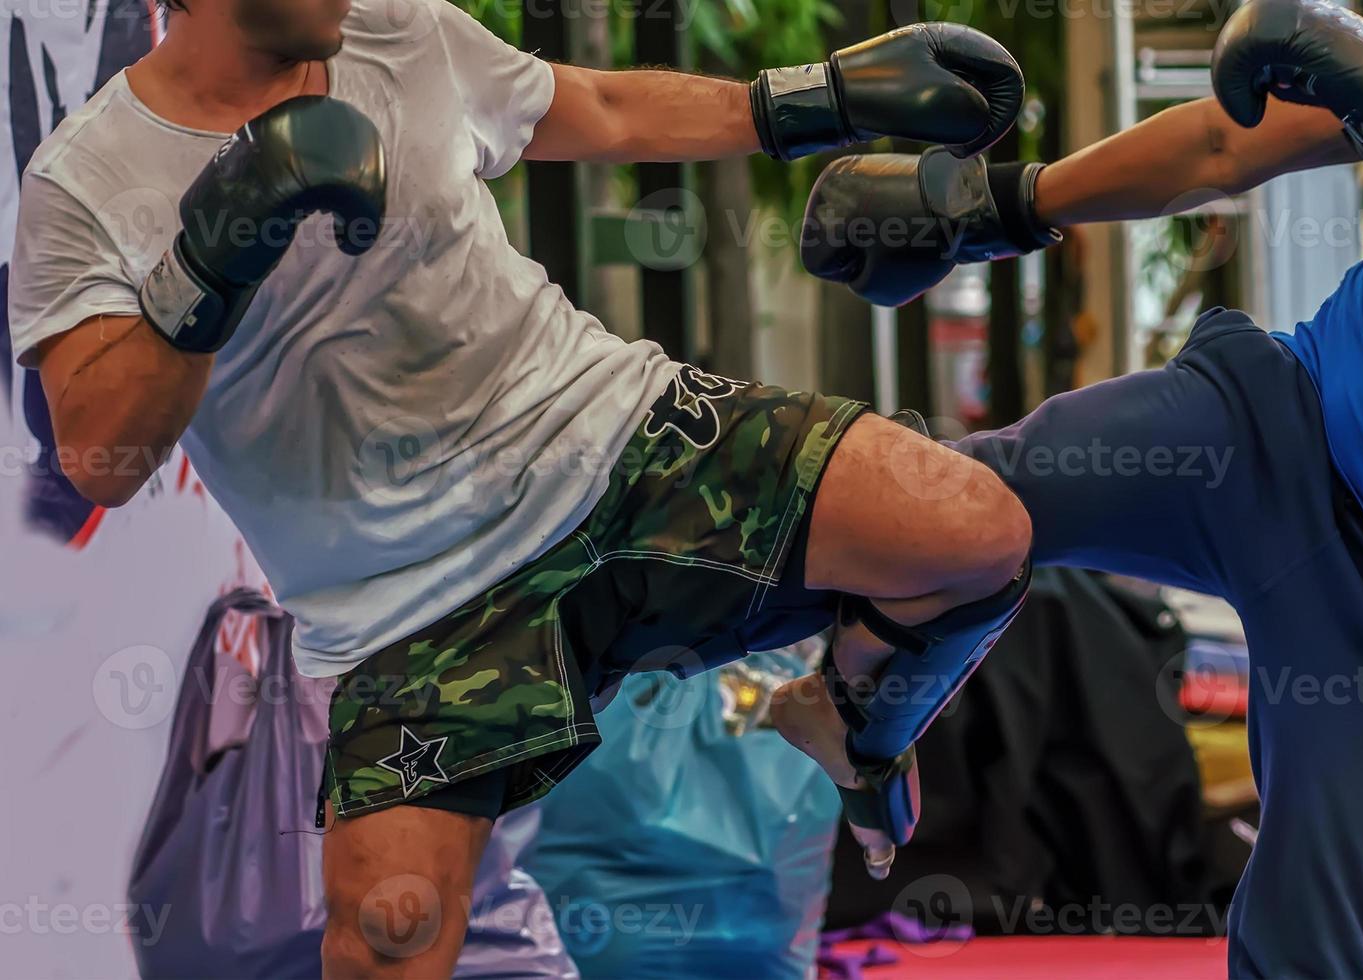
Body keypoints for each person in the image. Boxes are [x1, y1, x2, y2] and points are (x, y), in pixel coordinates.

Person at [7, 0, 1037, 973]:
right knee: (385, 938)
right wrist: (210, 257)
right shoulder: (89, 180)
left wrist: (815, 99)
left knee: (972, 529)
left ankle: (856, 724)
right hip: (407, 608)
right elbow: (101, 455)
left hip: (613, 438)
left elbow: (599, 108)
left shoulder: (400, 33)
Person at [801, 1, 1363, 976]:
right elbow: (1217, 145)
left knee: (1305, 960)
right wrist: (1000, 205)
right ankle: (861, 716)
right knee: (931, 504)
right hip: (1271, 436)